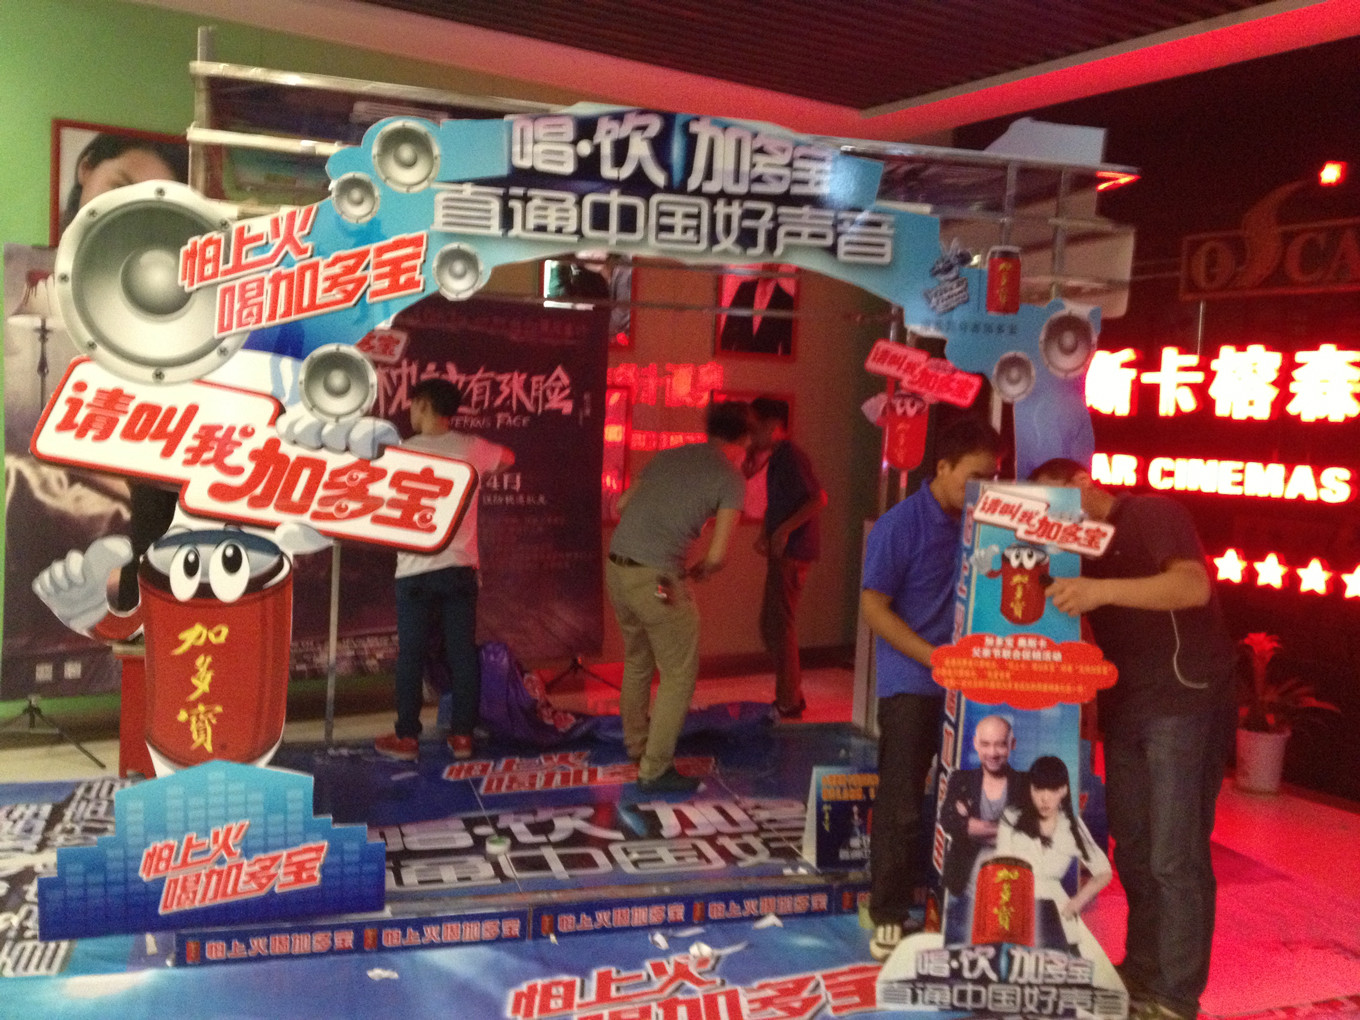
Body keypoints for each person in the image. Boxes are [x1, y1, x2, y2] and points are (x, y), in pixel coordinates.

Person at [1029, 458, 1236, 1020]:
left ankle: (1176, 995)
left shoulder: (1150, 514)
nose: (1053, 517)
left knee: (1174, 855)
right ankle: (1142, 970)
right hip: (1127, 707)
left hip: (1184, 700)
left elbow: (1193, 585)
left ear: (1082, 483)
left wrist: (1099, 591)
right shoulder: (1075, 549)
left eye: (1055, 501)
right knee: (1135, 851)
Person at [860, 417, 1004, 961]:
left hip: (977, 685)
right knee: (902, 799)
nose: (983, 488)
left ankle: (957, 907)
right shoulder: (900, 525)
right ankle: (888, 911)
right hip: (915, 682)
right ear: (943, 467)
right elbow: (874, 607)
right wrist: (935, 659)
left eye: (992, 478)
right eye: (974, 477)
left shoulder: (991, 523)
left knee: (975, 800)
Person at [58, 134, 190, 613]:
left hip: (156, 471)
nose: (125, 211)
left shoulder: (169, 300)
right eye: (120, 186)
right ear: (87, 167)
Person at [606, 400, 751, 793]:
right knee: (678, 673)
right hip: (659, 579)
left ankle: (637, 745)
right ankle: (654, 769)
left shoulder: (668, 456)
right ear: (744, 440)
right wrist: (700, 570)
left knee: (637, 659)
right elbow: (717, 556)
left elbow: (621, 505)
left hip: (617, 568)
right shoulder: (730, 478)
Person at [374, 377, 515, 762]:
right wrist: (480, 473)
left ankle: (407, 738)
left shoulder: (400, 452)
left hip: (414, 568)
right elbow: (508, 457)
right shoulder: (473, 448)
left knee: (412, 655)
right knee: (461, 653)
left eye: (413, 405)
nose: (410, 412)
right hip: (459, 568)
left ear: (423, 405)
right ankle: (463, 737)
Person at [749, 396, 827, 718]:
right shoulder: (778, 458)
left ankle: (789, 700)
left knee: (779, 627)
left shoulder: (790, 456)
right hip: (786, 550)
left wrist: (783, 531)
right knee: (773, 626)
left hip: (793, 552)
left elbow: (817, 499)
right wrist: (766, 532)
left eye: (754, 426)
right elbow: (781, 501)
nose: (750, 434)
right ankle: (790, 695)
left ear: (772, 425)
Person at [994, 755, 1112, 952]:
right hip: (1017, 912)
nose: (1045, 798)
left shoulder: (1072, 826)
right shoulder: (1012, 817)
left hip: (1059, 917)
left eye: (1053, 790)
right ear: (1030, 788)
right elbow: (1001, 868)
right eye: (1038, 789)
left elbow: (1104, 871)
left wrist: (1077, 902)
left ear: (1064, 790)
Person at [939, 714, 1029, 942]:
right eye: (986, 744)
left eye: (1000, 744)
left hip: (1010, 891)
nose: (993, 752)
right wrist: (1006, 830)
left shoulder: (1025, 783)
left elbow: (1032, 830)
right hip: (965, 889)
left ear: (1012, 744)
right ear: (976, 744)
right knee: (957, 952)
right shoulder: (961, 779)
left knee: (1006, 954)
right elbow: (949, 820)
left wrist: (973, 826)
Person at [718, 268, 794, 355]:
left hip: (766, 361)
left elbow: (787, 347)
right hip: (739, 358)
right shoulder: (745, 289)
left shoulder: (785, 300)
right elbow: (729, 329)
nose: (767, 264)